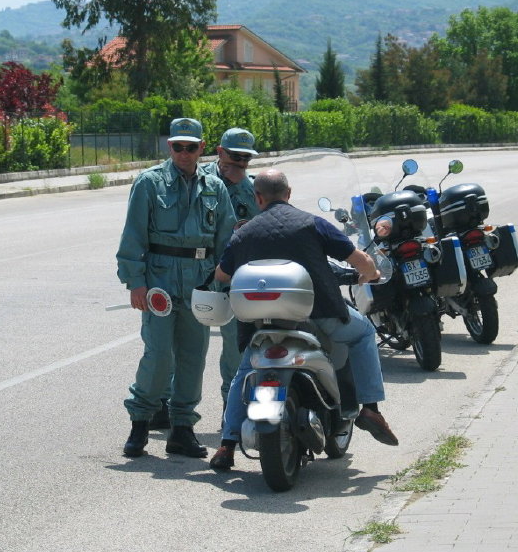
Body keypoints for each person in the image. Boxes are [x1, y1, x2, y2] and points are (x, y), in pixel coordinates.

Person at [208, 168, 399, 470]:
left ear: (258, 198)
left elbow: (222, 274)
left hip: (262, 323)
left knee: (244, 372)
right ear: (289, 193)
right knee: (363, 334)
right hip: (318, 314)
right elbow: (359, 259)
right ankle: (371, 408)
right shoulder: (312, 223)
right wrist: (371, 274)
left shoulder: (243, 233)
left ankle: (226, 445)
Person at [116, 117, 236, 458]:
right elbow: (133, 236)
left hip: (200, 280)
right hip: (160, 281)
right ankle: (140, 423)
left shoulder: (214, 187)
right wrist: (135, 283)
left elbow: (226, 239)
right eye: (178, 146)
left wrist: (225, 281)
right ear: (170, 146)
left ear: (201, 148)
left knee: (192, 357)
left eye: (191, 147)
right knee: (158, 356)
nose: (184, 153)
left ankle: (182, 428)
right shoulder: (149, 183)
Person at [148, 127, 260, 430]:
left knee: (236, 346)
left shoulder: (253, 187)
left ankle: (231, 407)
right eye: (234, 156)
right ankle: (164, 403)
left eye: (245, 158)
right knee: (180, 343)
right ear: (219, 152)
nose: (239, 163)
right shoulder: (199, 178)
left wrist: (244, 186)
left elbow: (266, 220)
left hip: (235, 276)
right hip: (197, 271)